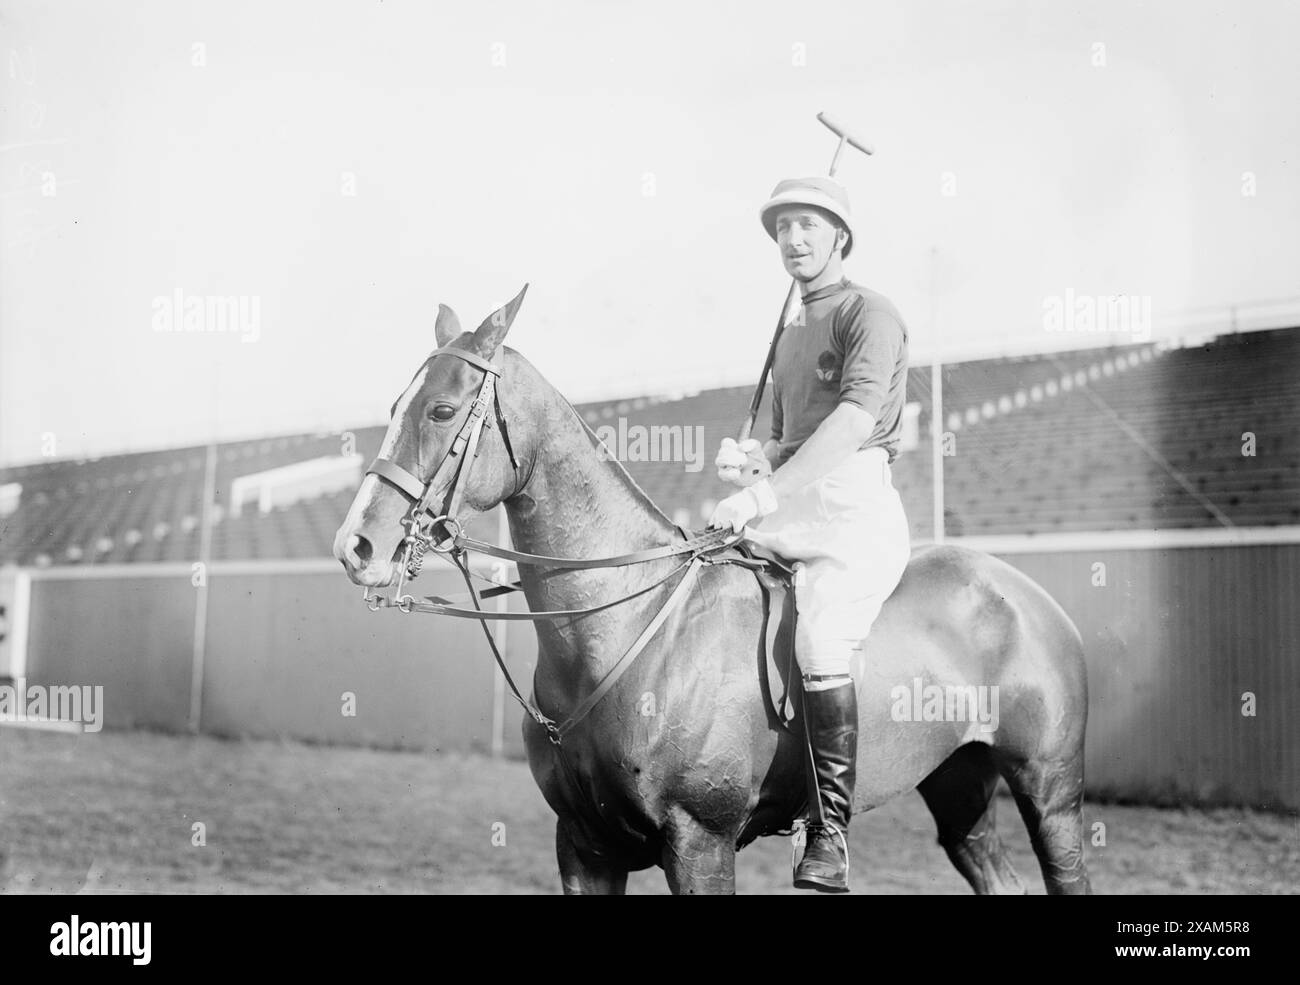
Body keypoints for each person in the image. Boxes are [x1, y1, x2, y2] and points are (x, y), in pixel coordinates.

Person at [710, 176, 911, 892]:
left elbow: (852, 425)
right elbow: (789, 440)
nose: (794, 239)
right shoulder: (792, 332)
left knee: (822, 637)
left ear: (840, 236)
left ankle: (827, 832)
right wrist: (757, 460)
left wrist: (763, 489)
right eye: (784, 227)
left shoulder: (871, 313)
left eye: (808, 225)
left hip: (854, 510)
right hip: (794, 501)